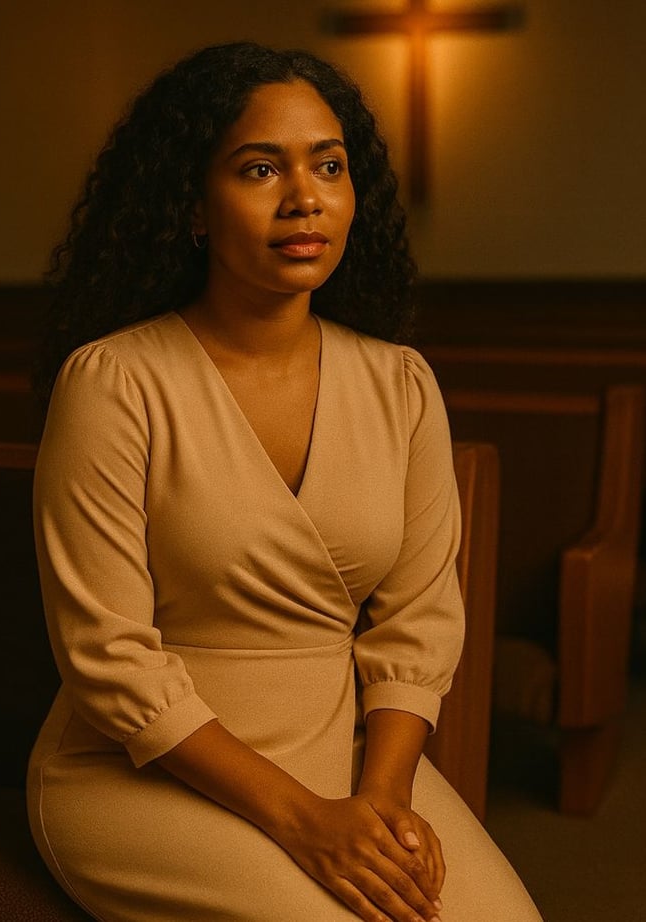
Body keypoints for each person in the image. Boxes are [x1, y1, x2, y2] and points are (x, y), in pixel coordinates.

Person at [28, 40, 542, 922]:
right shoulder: (113, 381)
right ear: (192, 204)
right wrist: (306, 822)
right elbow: (106, 658)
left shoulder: (401, 384)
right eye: (260, 168)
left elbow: (419, 622)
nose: (305, 197)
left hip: (346, 753)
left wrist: (381, 801)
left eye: (329, 166)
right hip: (142, 766)